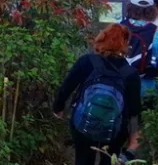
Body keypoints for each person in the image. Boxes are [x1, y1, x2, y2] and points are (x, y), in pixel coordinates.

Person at [53, 23, 141, 165]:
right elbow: (134, 111)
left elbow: (66, 88)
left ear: (102, 38)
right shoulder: (131, 74)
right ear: (125, 43)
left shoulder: (87, 61)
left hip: (83, 123)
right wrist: (133, 140)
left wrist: (58, 108)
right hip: (115, 130)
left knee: (83, 158)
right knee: (109, 159)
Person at [120, 0, 158, 102]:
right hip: (150, 90)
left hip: (120, 86)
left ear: (130, 7)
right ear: (152, 10)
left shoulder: (117, 28)